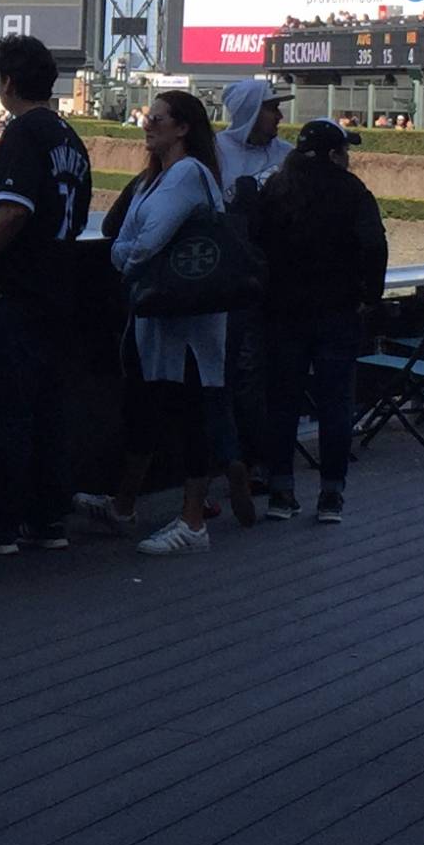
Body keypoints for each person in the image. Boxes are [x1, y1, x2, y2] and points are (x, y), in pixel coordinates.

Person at [78, 91, 238, 558]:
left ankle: (191, 522)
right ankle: (129, 504)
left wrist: (121, 255)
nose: (148, 124)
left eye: (157, 118)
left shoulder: (184, 175)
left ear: (182, 127)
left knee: (187, 412)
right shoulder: (165, 177)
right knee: (159, 409)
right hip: (169, 320)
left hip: (184, 322)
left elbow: (141, 242)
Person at [0, 33, 92, 554]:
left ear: (8, 82)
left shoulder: (23, 135)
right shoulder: (70, 137)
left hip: (21, 290)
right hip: (61, 286)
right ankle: (46, 520)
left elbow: (13, 209)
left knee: (10, 409)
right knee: (49, 409)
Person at [245, 120, 387, 523]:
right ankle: (331, 497)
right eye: (345, 150)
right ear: (331, 154)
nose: (349, 157)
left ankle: (280, 493)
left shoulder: (275, 190)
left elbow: (254, 243)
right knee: (335, 403)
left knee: (282, 403)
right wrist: (369, 295)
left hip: (281, 314)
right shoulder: (352, 191)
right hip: (338, 312)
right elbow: (374, 244)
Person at [214, 80, 294, 527]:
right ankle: (233, 461)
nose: (278, 117)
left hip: (274, 286)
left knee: (261, 374)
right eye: (270, 109)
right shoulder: (214, 151)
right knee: (233, 372)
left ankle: (259, 461)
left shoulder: (286, 155)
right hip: (230, 283)